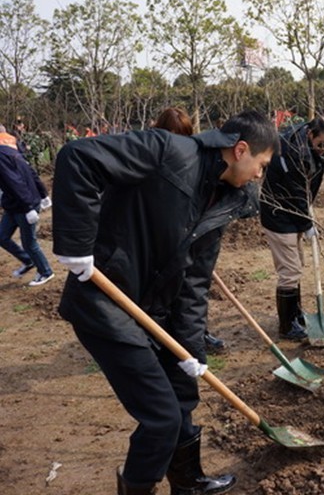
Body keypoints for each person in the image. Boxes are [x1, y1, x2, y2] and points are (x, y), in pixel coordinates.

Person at [52, 110, 278, 495]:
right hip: (105, 302)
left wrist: (192, 351)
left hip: (154, 308)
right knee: (161, 417)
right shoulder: (167, 151)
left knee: (182, 392)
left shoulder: (226, 199)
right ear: (241, 150)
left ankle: (187, 482)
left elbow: (195, 282)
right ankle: (138, 487)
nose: (260, 175)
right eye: (262, 164)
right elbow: (78, 156)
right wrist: (76, 246)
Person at [153, 106, 224, 353]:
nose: (177, 142)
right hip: (162, 239)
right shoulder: (152, 160)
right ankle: (163, 338)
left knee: (194, 287)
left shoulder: (196, 162)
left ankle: (198, 334)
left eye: (182, 135)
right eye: (172, 134)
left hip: (191, 235)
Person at [260, 116, 324, 341]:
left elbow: (304, 190)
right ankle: (287, 325)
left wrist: (306, 215)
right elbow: (295, 192)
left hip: (293, 212)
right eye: (321, 144)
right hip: (279, 214)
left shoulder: (305, 142)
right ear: (310, 134)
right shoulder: (293, 151)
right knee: (290, 270)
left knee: (296, 265)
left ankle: (296, 313)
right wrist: (308, 223)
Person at [0, 134, 55, 286]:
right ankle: (27, 260)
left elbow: (15, 182)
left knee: (29, 242)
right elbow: (31, 173)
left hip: (24, 205)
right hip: (13, 204)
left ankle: (46, 272)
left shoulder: (3, 155)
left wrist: (29, 207)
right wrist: (43, 193)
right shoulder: (11, 152)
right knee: (2, 236)